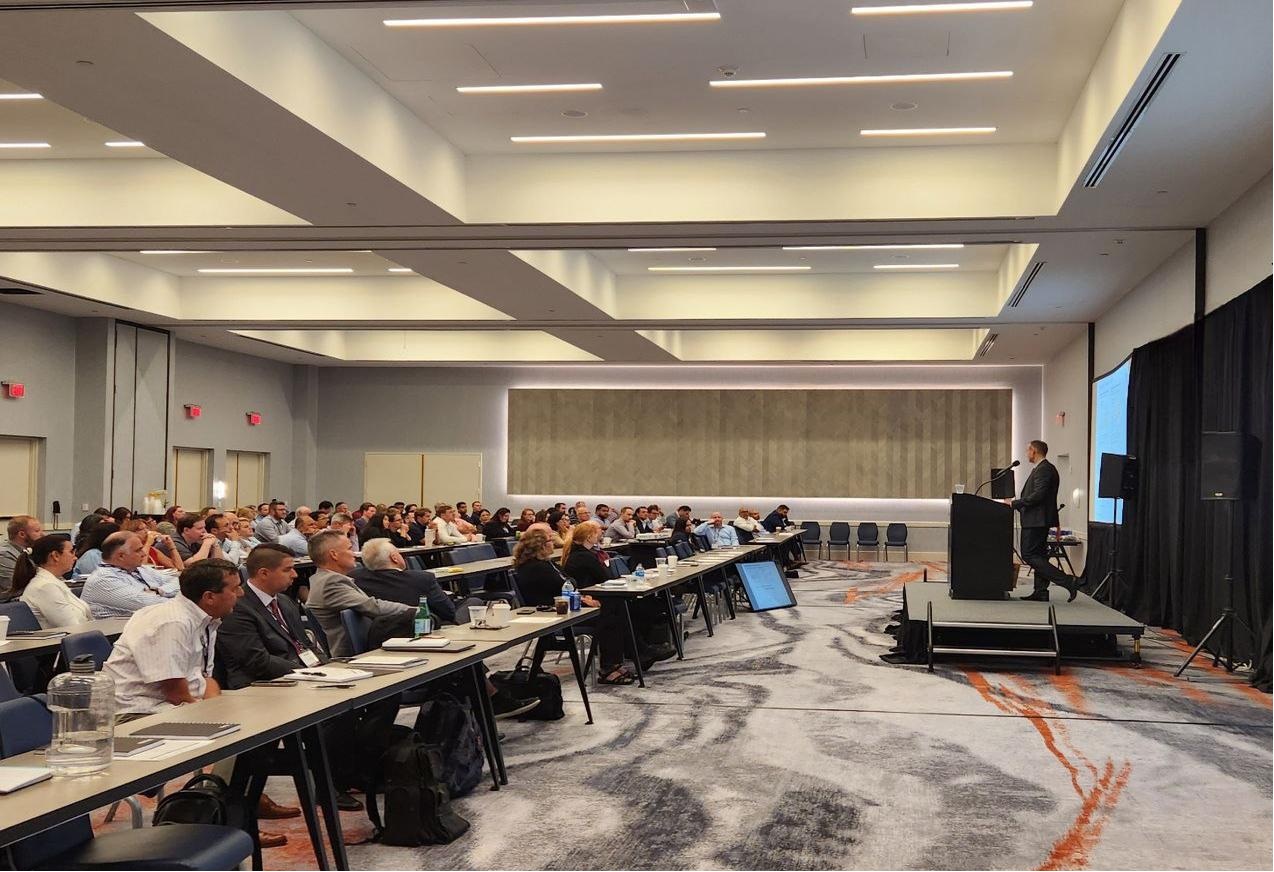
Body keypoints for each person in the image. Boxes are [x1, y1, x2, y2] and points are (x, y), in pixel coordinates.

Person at [103, 559, 241, 717]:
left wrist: (215, 706)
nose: (241, 593)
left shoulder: (206, 620)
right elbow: (176, 695)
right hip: (136, 713)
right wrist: (213, 713)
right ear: (209, 597)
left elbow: (205, 680)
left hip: (174, 708)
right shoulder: (172, 623)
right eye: (235, 589)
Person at [512, 528, 632, 686]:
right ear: (540, 545)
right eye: (550, 541)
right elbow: (564, 585)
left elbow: (569, 582)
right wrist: (581, 598)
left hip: (566, 604)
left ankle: (618, 661)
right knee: (609, 616)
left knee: (616, 606)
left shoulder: (546, 563)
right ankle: (609, 668)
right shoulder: (535, 568)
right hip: (553, 612)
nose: (553, 543)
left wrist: (582, 597)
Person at [304, 530, 414, 657]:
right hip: (358, 654)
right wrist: (416, 610)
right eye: (349, 549)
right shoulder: (330, 583)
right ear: (334, 555)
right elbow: (373, 607)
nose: (355, 554)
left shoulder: (324, 579)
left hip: (367, 643)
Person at [1008, 440, 1080, 602]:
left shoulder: (1044, 469)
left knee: (1029, 555)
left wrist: (1015, 503)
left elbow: (1039, 495)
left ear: (1034, 451)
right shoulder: (1043, 468)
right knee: (1039, 555)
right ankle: (1040, 591)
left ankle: (1068, 581)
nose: (1026, 453)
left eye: (1028, 450)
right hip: (1037, 520)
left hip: (1036, 521)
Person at [351, 538, 459, 620]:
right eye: (399, 553)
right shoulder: (422, 579)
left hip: (377, 634)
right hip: (419, 631)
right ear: (394, 558)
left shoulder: (354, 578)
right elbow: (449, 612)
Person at [81, 531, 180, 618]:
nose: (144, 554)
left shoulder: (141, 569)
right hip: (119, 631)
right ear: (121, 556)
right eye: (138, 550)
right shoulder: (102, 580)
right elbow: (153, 604)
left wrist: (160, 591)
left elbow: (180, 582)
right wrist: (182, 598)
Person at [12, 534, 91, 628]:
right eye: (71, 552)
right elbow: (71, 626)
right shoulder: (45, 587)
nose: (75, 557)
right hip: (69, 636)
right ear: (55, 556)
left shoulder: (51, 581)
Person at [0, 514, 45, 597]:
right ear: (22, 534)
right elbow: (14, 588)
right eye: (37, 531)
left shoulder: (33, 550)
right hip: (14, 602)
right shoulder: (3, 555)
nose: (43, 534)